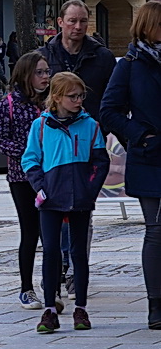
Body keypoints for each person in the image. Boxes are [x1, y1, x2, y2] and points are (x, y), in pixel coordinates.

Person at [23, 70, 109, 333]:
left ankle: (81, 307)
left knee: (78, 253)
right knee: (50, 252)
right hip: (50, 199)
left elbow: (101, 161)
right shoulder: (40, 126)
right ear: (57, 97)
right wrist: (40, 187)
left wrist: (90, 189)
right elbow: (30, 159)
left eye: (81, 96)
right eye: (72, 96)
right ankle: (50, 308)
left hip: (80, 198)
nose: (78, 101)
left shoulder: (90, 125)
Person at [96, 1, 161, 328]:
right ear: (150, 27)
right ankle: (156, 305)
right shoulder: (131, 64)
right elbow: (109, 111)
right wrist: (141, 136)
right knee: (156, 230)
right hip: (151, 157)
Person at [0, 51, 52, 310]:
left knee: (52, 235)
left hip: (51, 176)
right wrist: (28, 152)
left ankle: (53, 286)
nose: (45, 77)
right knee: (30, 233)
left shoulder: (51, 102)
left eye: (47, 72)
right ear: (26, 75)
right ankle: (26, 288)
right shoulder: (9, 104)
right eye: (39, 72)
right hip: (22, 177)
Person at [44, 0, 116, 117]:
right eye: (72, 21)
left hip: (93, 129)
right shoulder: (44, 57)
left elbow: (116, 97)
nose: (78, 26)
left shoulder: (104, 57)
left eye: (83, 21)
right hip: (53, 128)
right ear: (60, 22)